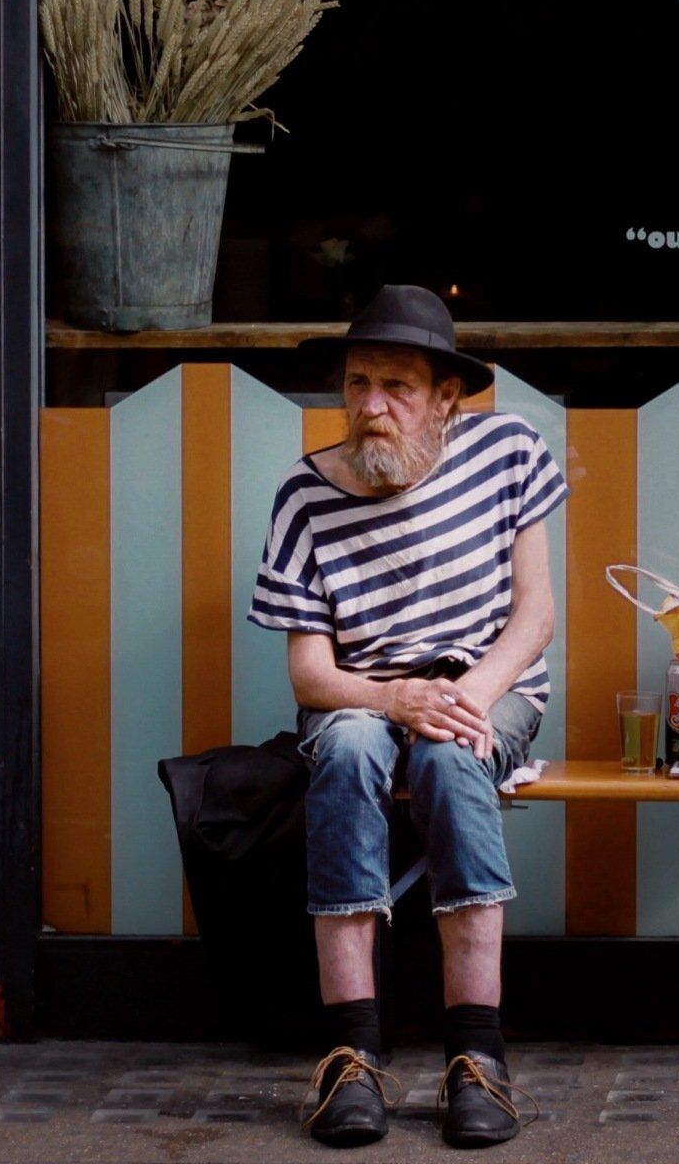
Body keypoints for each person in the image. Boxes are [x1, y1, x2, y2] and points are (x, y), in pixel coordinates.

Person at [247, 283, 568, 1149]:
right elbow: (313, 674)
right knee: (350, 753)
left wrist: (463, 702)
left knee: (449, 761)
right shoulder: (303, 495)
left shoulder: (509, 451)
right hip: (361, 698)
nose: (372, 406)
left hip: (486, 687)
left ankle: (478, 1059)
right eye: (357, 384)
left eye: (397, 386)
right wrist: (393, 698)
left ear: (446, 399)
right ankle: (352, 1056)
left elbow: (534, 617)